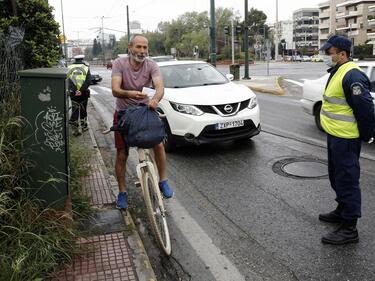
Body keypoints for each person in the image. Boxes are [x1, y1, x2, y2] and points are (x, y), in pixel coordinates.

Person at [318, 35, 375, 245]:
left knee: (347, 181)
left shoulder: (353, 76)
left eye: (329, 53)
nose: (326, 56)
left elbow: (366, 109)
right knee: (336, 177)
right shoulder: (338, 71)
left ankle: (350, 228)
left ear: (342, 54)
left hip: (346, 139)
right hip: (335, 136)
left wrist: (368, 133)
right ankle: (342, 210)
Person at [111, 34, 173, 210]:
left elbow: (159, 87)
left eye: (145, 48)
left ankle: (163, 181)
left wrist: (155, 100)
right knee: (122, 153)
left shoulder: (151, 65)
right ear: (130, 47)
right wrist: (130, 93)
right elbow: (115, 89)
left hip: (146, 110)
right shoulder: (119, 64)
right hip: (124, 113)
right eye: (138, 47)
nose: (142, 51)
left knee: (159, 144)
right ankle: (122, 192)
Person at [67, 54, 92, 136]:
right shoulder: (86, 67)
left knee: (75, 109)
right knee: (83, 109)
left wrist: (75, 90)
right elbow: (88, 81)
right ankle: (84, 127)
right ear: (82, 59)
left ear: (75, 60)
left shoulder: (69, 68)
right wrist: (80, 90)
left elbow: (68, 81)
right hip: (83, 93)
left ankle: (75, 130)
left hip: (73, 93)